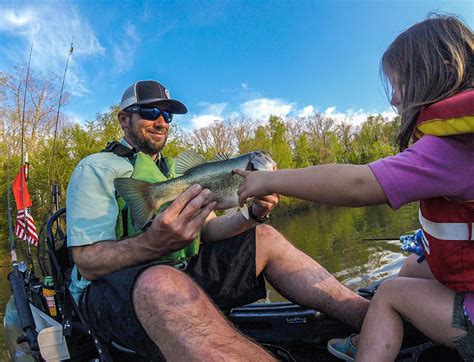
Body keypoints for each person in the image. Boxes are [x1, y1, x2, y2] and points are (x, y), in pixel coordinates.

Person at [66, 79, 369, 360]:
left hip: (181, 272)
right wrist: (151, 244)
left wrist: (252, 213)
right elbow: (86, 261)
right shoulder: (96, 169)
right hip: (112, 297)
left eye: (167, 115)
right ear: (123, 119)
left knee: (264, 236)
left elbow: (209, 229)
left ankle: (370, 316)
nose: (161, 121)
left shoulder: (174, 171)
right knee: (161, 280)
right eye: (149, 111)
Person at [235, 14, 473, 361]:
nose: (393, 99)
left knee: (390, 291)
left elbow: (358, 184)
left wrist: (268, 179)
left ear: (433, 77)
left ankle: (367, 347)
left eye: (400, 84)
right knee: (411, 266)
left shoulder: (447, 149)